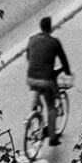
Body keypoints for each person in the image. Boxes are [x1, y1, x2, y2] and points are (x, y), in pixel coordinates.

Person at [25, 15, 71, 145]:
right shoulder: (55, 42)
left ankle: (35, 115)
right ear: (50, 28)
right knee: (51, 107)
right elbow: (63, 60)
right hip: (46, 80)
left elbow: (28, 56)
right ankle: (52, 138)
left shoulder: (32, 39)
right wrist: (66, 72)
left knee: (37, 98)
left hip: (31, 78)